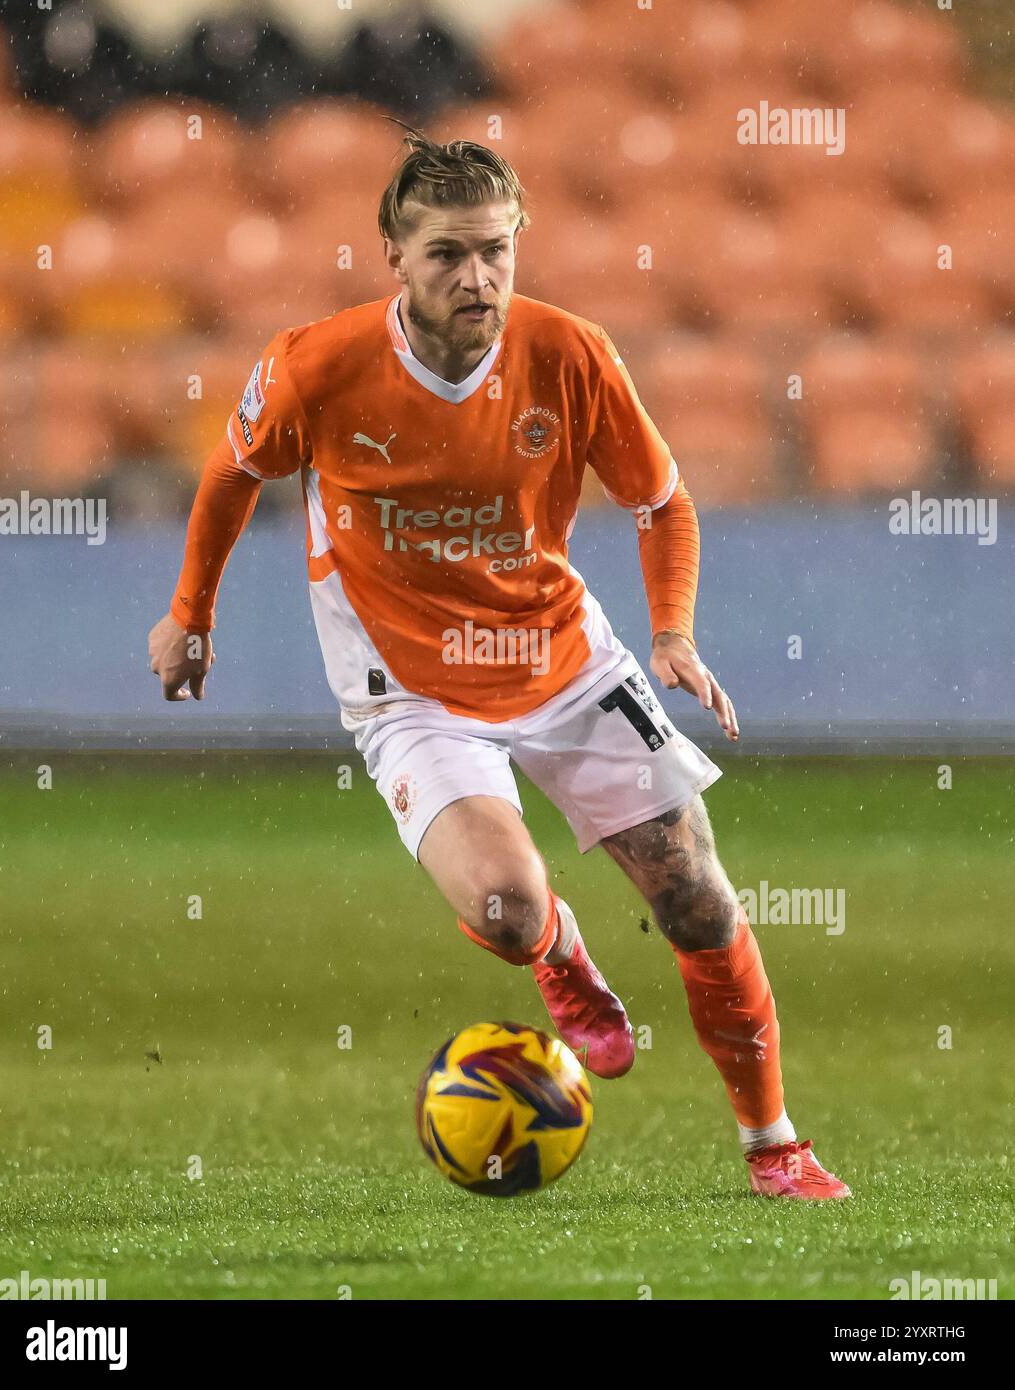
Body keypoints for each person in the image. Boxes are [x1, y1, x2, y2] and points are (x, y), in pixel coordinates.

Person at [149, 129, 849, 1199]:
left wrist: (671, 635)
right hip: (409, 689)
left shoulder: (568, 353)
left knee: (697, 897)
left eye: (495, 250)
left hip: (561, 658)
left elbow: (660, 501)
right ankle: (561, 957)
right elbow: (232, 472)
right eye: (447, 255)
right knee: (507, 912)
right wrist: (189, 612)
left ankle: (776, 1147)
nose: (476, 276)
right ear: (393, 253)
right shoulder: (316, 367)